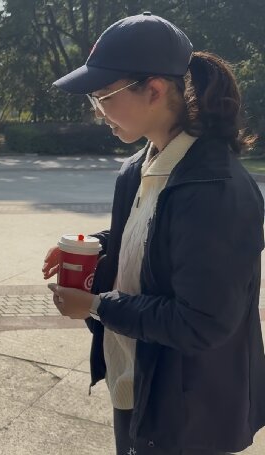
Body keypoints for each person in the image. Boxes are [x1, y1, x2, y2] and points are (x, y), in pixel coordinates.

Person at [43, 13, 265, 455]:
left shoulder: (215, 190)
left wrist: (97, 306)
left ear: (155, 90)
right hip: (137, 381)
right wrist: (97, 247)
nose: (97, 112)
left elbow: (202, 321)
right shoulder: (138, 168)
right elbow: (154, 235)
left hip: (189, 410)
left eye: (104, 96)